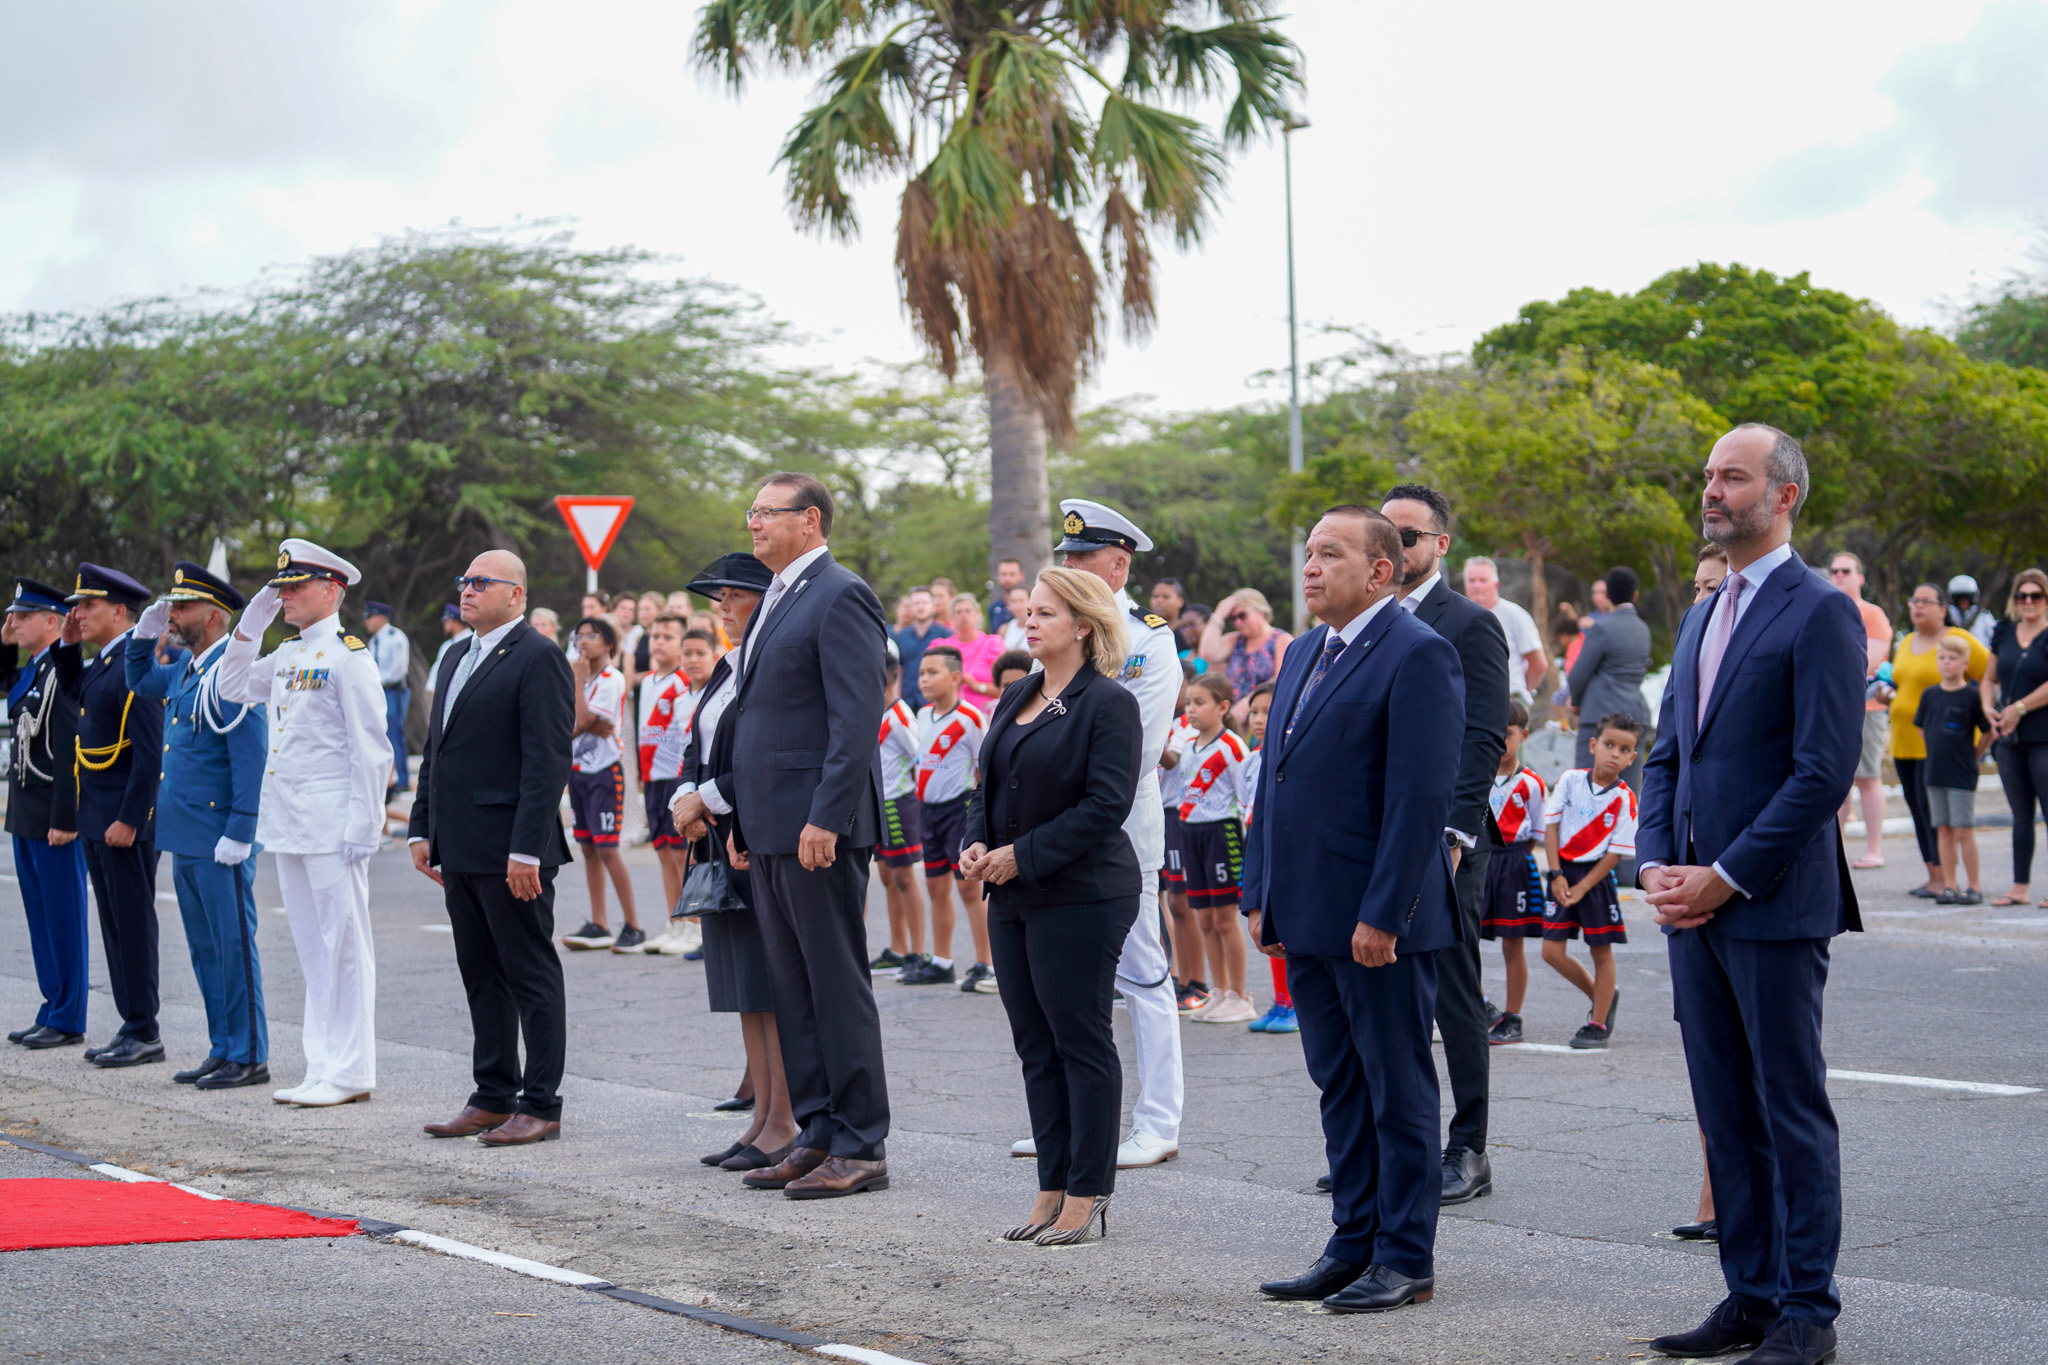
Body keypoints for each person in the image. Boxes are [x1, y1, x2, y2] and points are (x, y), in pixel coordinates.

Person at [1638, 423, 1864, 1365]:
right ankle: (1751, 1292)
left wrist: (1722, 877)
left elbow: (1822, 772)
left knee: (1787, 1108)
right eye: (1708, 476)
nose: (1713, 490)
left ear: (1785, 496)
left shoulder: (1820, 611)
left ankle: (1808, 1310)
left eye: (1733, 476)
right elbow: (1665, 758)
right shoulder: (1700, 613)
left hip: (1768, 901)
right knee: (1723, 1106)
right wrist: (1653, 863)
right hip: (1686, 904)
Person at [1245, 504, 1463, 1315]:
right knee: (1339, 1083)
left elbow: (1418, 798)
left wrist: (1387, 913)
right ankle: (1353, 1241)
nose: (1309, 566)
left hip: (1377, 921)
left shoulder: (1418, 652)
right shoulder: (1303, 651)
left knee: (1396, 1089)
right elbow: (1274, 785)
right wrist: (1260, 890)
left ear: (1380, 571)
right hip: (1305, 909)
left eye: (1328, 553)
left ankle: (1406, 1256)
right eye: (1307, 550)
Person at [672, 473, 892, 1200]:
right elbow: (761, 725)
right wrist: (743, 819)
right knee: (793, 989)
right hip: (767, 826)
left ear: (811, 519)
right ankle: (818, 1131)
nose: (754, 524)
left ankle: (860, 1142)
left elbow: (853, 718)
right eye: (751, 512)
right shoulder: (774, 598)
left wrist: (825, 815)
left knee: (833, 983)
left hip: (816, 826)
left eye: (767, 513)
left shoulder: (840, 592)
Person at [961, 566, 1144, 1245]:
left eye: (1045, 613)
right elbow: (987, 784)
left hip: (1082, 891)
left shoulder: (1107, 702)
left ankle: (1089, 1190)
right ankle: (1051, 1182)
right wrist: (976, 842)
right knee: (1035, 1045)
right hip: (1011, 889)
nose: (1029, 622)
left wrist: (1023, 853)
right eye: (1028, 611)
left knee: (1079, 1040)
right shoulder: (1017, 695)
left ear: (1084, 625)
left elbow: (1106, 804)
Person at [1036, 497, 1188, 1170]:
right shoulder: (1058, 635)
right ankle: (1070, 1122)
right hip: (1047, 831)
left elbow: (1136, 752)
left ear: (1118, 565)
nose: (1065, 566)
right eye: (1063, 556)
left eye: (1079, 557)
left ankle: (1157, 1120)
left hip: (1117, 832)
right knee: (1062, 982)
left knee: (1142, 976)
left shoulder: (1149, 641)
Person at [216, 540, 394, 1106]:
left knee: (344, 946)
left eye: (295, 588)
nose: (285, 596)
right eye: (282, 588)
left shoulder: (349, 658)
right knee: (312, 950)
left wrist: (364, 830)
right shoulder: (290, 655)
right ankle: (323, 1064)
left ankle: (351, 1069)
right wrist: (248, 629)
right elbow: (230, 688)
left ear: (332, 591)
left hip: (333, 824)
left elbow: (373, 752)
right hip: (290, 821)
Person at [409, 551, 575, 1146]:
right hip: (460, 844)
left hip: (512, 849)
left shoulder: (538, 656)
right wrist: (421, 827)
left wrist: (527, 848)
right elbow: (439, 751)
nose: (468, 590)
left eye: (481, 583)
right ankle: (492, 1094)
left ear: (517, 594)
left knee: (529, 973)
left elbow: (547, 759)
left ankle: (541, 1104)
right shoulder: (457, 653)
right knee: (480, 973)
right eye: (464, 581)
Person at [1382, 484, 1510, 1207]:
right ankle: (1393, 1148)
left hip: (1446, 841)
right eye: (1387, 532)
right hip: (1377, 838)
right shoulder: (1366, 619)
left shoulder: (1469, 623)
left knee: (1453, 994)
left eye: (1411, 534)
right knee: (1384, 997)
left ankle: (1468, 1147)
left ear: (1440, 545)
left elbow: (1483, 734)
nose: (1398, 546)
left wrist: (1457, 833)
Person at [670, 552, 803, 1172]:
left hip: (751, 831)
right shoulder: (727, 666)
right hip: (716, 832)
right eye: (716, 600)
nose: (720, 610)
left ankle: (784, 1119)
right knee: (744, 987)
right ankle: (762, 1117)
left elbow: (762, 754)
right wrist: (685, 800)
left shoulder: (766, 663)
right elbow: (698, 748)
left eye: (733, 598)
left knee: (770, 984)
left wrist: (708, 799)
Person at [125, 563, 271, 1089]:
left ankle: (249, 1053)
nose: (173, 615)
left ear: (213, 616)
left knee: (233, 944)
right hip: (184, 833)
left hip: (218, 835)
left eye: (182, 608)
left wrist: (241, 829)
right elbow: (137, 678)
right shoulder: (185, 671)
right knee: (205, 947)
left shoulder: (233, 672)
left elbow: (250, 755)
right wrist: (143, 634)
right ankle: (222, 1046)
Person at [54, 564, 166, 1069]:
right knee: (114, 926)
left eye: (87, 605)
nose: (76, 612)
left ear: (119, 612)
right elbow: (78, 696)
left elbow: (149, 754)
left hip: (123, 821)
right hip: (99, 817)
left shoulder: (133, 665)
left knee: (133, 925)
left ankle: (145, 1029)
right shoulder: (104, 662)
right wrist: (67, 644)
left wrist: (131, 819)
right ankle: (131, 1023)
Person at [4, 578, 89, 1051]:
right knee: (39, 917)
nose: (13, 622)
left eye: (23, 615)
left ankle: (68, 1015)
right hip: (24, 811)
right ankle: (51, 1005)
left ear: (53, 622)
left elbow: (66, 752)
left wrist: (66, 817)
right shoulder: (32, 670)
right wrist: (4, 643)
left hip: (53, 815)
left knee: (62, 916)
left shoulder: (61, 671)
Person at [1539, 713, 1640, 1048]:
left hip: (1596, 879)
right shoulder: (1569, 780)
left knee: (1601, 952)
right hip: (1562, 872)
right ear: (1594, 745)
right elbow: (1551, 826)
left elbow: (1615, 852)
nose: (1614, 753)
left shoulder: (1624, 798)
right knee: (1551, 952)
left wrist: (1583, 886)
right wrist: (1555, 874)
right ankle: (1604, 996)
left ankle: (1598, 1023)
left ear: (1631, 758)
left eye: (1624, 749)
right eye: (1609, 745)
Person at [1884, 585, 1990, 899]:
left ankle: (1953, 879)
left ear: (1942, 608)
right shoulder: (1906, 641)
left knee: (1940, 817)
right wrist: (1886, 694)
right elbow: (1900, 683)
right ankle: (1934, 876)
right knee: (1919, 811)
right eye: (1913, 600)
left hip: (1942, 746)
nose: (1917, 606)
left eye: (1926, 601)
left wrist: (1983, 710)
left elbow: (1988, 673)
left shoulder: (1959, 640)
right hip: (1905, 740)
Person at [908, 645, 994, 990]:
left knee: (969, 889)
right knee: (934, 886)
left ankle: (985, 963)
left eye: (933, 673)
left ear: (955, 677)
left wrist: (980, 818)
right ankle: (942, 961)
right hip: (927, 812)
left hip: (959, 810)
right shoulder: (922, 715)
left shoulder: (971, 719)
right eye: (921, 673)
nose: (924, 679)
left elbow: (983, 769)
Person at [558, 616, 644, 952]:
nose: (583, 642)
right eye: (578, 636)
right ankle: (599, 923)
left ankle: (634, 926)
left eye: (592, 636)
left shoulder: (611, 678)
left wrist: (579, 693)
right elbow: (571, 721)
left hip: (606, 772)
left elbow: (579, 721)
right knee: (589, 848)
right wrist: (584, 720)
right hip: (579, 771)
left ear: (609, 643)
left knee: (608, 847)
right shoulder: (578, 678)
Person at [1175, 673, 1255, 1024]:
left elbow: (1245, 795)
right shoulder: (1189, 743)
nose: (1192, 710)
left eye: (1200, 702)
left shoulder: (1232, 745)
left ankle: (1240, 994)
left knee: (1224, 919)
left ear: (1223, 707)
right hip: (1190, 833)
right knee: (1204, 917)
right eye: (1189, 702)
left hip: (1221, 833)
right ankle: (1219, 991)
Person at [635, 616, 706, 953]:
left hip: (676, 776)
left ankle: (695, 923)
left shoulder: (682, 683)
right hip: (652, 776)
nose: (658, 641)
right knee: (663, 850)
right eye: (654, 635)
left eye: (667, 636)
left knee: (682, 853)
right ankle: (674, 920)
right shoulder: (648, 681)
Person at [1479, 700, 1546, 1046]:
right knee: (1463, 940)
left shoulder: (1532, 783)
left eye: (1506, 735)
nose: (1500, 743)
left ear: (1524, 735)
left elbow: (1537, 833)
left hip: (1515, 864)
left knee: (1512, 946)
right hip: (1480, 862)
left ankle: (1513, 1016)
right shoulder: (1476, 777)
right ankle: (1480, 1004)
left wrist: (1512, 863)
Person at [1984, 569, 2048, 908]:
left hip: (2043, 736)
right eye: (2022, 595)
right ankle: (2019, 887)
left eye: (2035, 595)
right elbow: (1989, 677)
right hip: (2009, 738)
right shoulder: (2004, 631)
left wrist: (2020, 707)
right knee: (2020, 814)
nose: (2028, 602)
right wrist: (1988, 708)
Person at [1826, 553, 1894, 870]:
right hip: (1831, 707)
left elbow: (1871, 660)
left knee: (1867, 777)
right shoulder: (1823, 609)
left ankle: (1874, 849)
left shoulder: (1872, 613)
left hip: (1865, 706)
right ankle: (1834, 850)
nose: (1839, 575)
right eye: (1834, 571)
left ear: (1860, 577)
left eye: (1846, 570)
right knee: (1834, 780)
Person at [1916, 636, 1992, 904]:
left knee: (1963, 829)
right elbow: (1923, 727)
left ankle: (1974, 886)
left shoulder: (1972, 695)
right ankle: (1949, 885)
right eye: (1942, 658)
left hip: (1962, 772)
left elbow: (1989, 731)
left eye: (1952, 659)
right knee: (1944, 829)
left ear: (1965, 663)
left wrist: (1975, 755)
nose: (1946, 663)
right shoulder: (1930, 695)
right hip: (1935, 771)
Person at [1238, 682, 1296, 1034]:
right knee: (1267, 928)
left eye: (1268, 711)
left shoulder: (1293, 751)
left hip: (1287, 847)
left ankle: (1296, 1002)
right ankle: (1280, 1000)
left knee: (1289, 929)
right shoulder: (1250, 758)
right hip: (1258, 846)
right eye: (1255, 712)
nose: (1260, 719)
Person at [1568, 567, 1655, 795]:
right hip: (1635, 716)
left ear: (1606, 595)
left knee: (1586, 790)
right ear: (1635, 595)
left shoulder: (1602, 627)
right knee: (1627, 794)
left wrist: (1576, 702)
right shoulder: (1643, 629)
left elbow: (1578, 674)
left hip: (1599, 715)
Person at [870, 653, 928, 977]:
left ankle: (918, 951)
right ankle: (897, 947)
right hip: (879, 803)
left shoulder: (900, 716)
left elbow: (919, 757)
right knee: (887, 877)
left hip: (899, 804)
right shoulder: (875, 713)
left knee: (905, 877)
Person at [1461, 555, 1546, 705]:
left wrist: (1520, 691)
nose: (1477, 586)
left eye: (1483, 580)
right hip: (1470, 700)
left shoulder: (1514, 614)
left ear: (1496, 585)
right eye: (1472, 580)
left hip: (1510, 700)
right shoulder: (1459, 613)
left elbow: (1539, 663)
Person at [1198, 587, 1291, 716]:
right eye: (1233, 618)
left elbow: (1281, 680)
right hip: (1235, 716)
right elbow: (1207, 653)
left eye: (1242, 615)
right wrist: (1219, 614)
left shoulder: (1281, 639)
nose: (1238, 622)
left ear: (1260, 612)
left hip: (1265, 716)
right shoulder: (1236, 640)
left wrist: (1248, 702)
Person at [361, 601, 412, 799]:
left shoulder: (396, 637)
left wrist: (377, 682)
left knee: (394, 733)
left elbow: (398, 669)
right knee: (378, 732)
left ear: (380, 617)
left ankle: (402, 780)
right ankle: (386, 778)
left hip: (392, 691)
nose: (367, 622)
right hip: (377, 691)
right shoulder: (373, 641)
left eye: (369, 617)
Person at [890, 585, 953, 710]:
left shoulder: (946, 635)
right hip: (908, 702)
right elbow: (897, 671)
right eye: (916, 603)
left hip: (935, 703)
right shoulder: (901, 637)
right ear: (911, 608)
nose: (921, 607)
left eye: (924, 602)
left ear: (933, 606)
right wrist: (895, 701)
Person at [950, 594, 1005, 702]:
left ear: (977, 614)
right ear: (952, 617)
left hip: (986, 712)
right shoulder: (944, 646)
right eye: (958, 612)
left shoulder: (992, 643)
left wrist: (976, 686)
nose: (963, 615)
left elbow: (1004, 687)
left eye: (968, 611)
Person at [428, 605, 471, 700]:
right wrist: (433, 687)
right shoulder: (446, 645)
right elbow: (437, 668)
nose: (444, 625)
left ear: (455, 622)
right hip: (443, 696)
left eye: (447, 621)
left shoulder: (473, 642)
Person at [1947, 574, 1998, 647]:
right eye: (1959, 598)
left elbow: (1993, 637)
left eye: (1966, 598)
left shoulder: (1983, 616)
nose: (1963, 602)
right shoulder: (1947, 615)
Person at [988, 558, 1025, 631]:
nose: (1007, 579)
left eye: (1012, 574)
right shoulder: (994, 608)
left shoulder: (1032, 605)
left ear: (1022, 576)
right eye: (1003, 574)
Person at [1000, 586, 1031, 650]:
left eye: (1021, 600)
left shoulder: (1038, 627)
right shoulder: (1004, 629)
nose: (1017, 605)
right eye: (1014, 601)